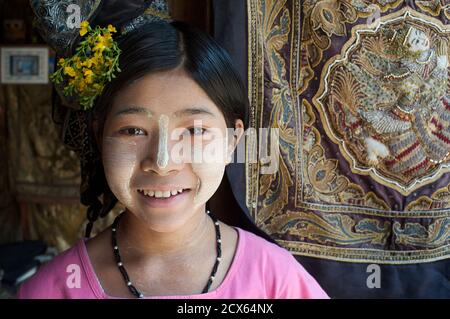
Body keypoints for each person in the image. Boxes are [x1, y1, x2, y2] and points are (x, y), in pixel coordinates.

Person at [18, 0, 328, 299]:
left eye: (194, 131)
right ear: (99, 135)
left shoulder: (275, 280)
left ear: (233, 140)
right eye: (134, 130)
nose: (163, 162)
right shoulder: (52, 289)